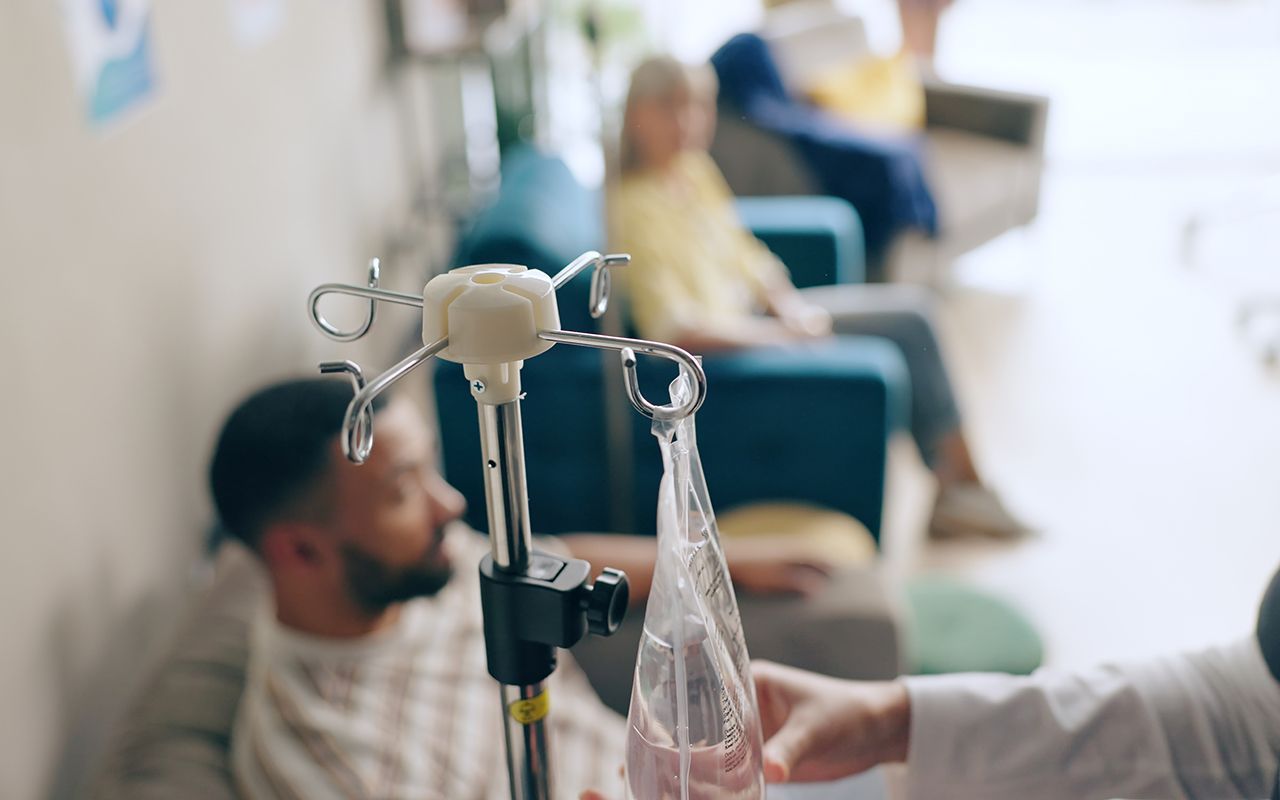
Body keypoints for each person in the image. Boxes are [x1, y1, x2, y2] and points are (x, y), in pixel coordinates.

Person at [209, 377, 834, 799]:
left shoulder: (419, 572)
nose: (448, 504)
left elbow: (554, 563)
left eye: (431, 469)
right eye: (403, 490)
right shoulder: (326, 760)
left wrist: (726, 562)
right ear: (299, 550)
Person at [611, 55, 1027, 541]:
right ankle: (962, 490)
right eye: (670, 108)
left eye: (697, 107)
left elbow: (749, 257)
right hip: (736, 355)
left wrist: (791, 307)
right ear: (637, 114)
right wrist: (782, 334)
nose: (687, 123)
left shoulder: (692, 171)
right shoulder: (634, 208)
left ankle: (960, 488)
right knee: (909, 327)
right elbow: (675, 331)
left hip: (765, 321)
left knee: (913, 312)